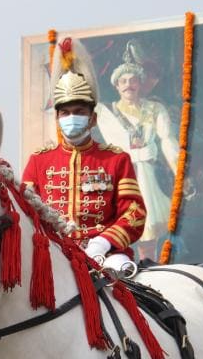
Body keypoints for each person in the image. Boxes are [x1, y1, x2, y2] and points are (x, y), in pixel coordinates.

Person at [23, 37, 147, 278]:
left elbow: (134, 213)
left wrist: (103, 242)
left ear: (93, 119)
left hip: (107, 256)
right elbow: (26, 214)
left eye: (79, 112)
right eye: (66, 113)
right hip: (53, 254)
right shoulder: (38, 162)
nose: (72, 117)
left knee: (124, 283)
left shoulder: (116, 160)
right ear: (58, 118)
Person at [95, 40, 183, 260]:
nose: (129, 85)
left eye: (133, 80)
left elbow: (167, 140)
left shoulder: (155, 109)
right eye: (123, 81)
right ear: (116, 86)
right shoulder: (104, 113)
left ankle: (148, 265)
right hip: (119, 176)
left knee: (148, 231)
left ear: (140, 83)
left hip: (148, 176)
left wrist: (179, 172)